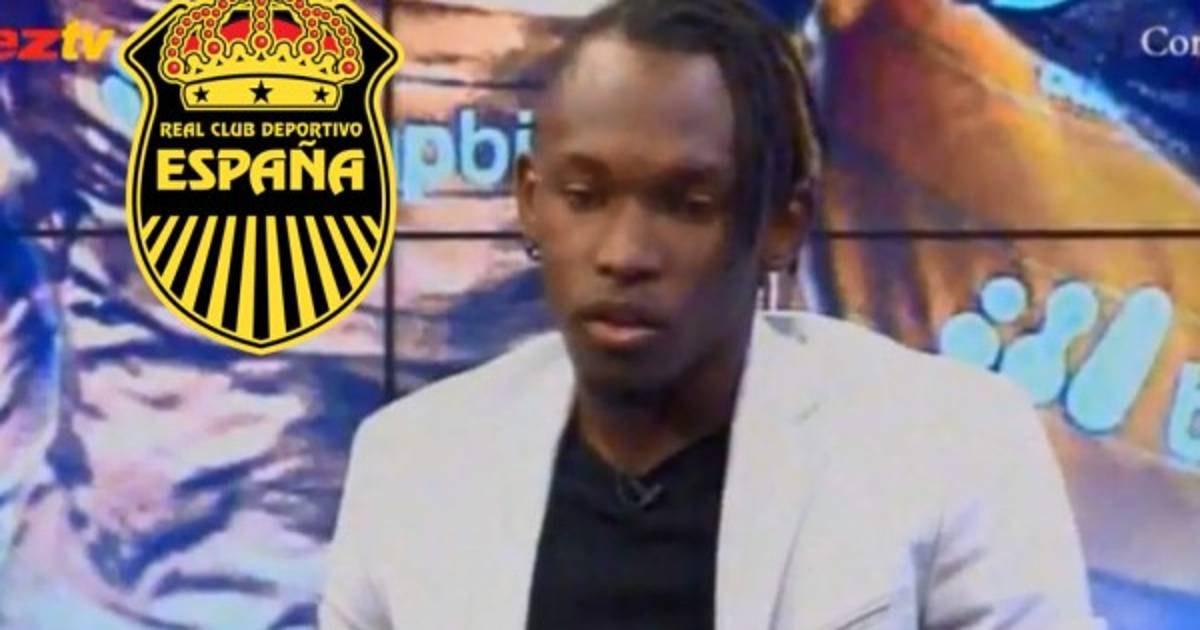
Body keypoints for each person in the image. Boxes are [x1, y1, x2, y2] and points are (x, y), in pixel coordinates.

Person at [320, 0, 1101, 628]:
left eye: (687, 204)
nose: (624, 252)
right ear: (530, 202)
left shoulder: (949, 448)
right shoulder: (412, 465)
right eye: (584, 197)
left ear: (783, 225)